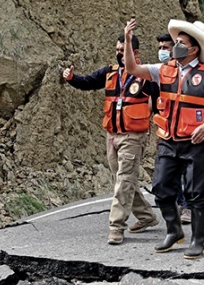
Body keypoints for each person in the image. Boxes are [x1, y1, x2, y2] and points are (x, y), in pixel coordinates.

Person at [124, 18, 204, 259]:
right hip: (168, 140)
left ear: (194, 48)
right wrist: (128, 41)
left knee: (196, 193)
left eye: (181, 42)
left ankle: (197, 241)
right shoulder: (164, 70)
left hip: (197, 142)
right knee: (161, 188)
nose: (175, 46)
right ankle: (174, 230)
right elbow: (132, 69)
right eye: (175, 41)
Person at [62, 33, 159, 245]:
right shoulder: (109, 72)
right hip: (112, 136)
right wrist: (71, 78)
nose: (119, 54)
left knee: (124, 180)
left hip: (133, 137)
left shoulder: (146, 75)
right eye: (117, 50)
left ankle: (116, 227)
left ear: (136, 53)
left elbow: (161, 100)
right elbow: (87, 82)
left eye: (123, 50)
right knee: (123, 181)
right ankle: (146, 216)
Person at [157, 32, 192, 225]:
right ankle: (180, 203)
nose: (162, 51)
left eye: (166, 48)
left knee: (185, 170)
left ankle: (186, 205)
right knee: (165, 176)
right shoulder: (161, 71)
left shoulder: (188, 71)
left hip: (186, 131)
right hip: (166, 131)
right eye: (160, 48)